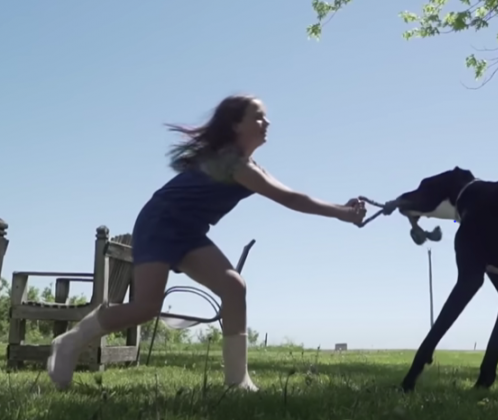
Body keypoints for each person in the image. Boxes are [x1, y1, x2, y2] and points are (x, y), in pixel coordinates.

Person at [47, 94, 367, 391]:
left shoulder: (248, 166)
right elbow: (288, 198)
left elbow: (290, 194)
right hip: (160, 222)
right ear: (235, 125)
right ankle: (71, 342)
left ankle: (237, 381)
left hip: (189, 232)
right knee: (146, 307)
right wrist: (341, 212)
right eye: (258, 117)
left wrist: (342, 209)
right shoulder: (235, 164)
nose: (266, 123)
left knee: (234, 287)